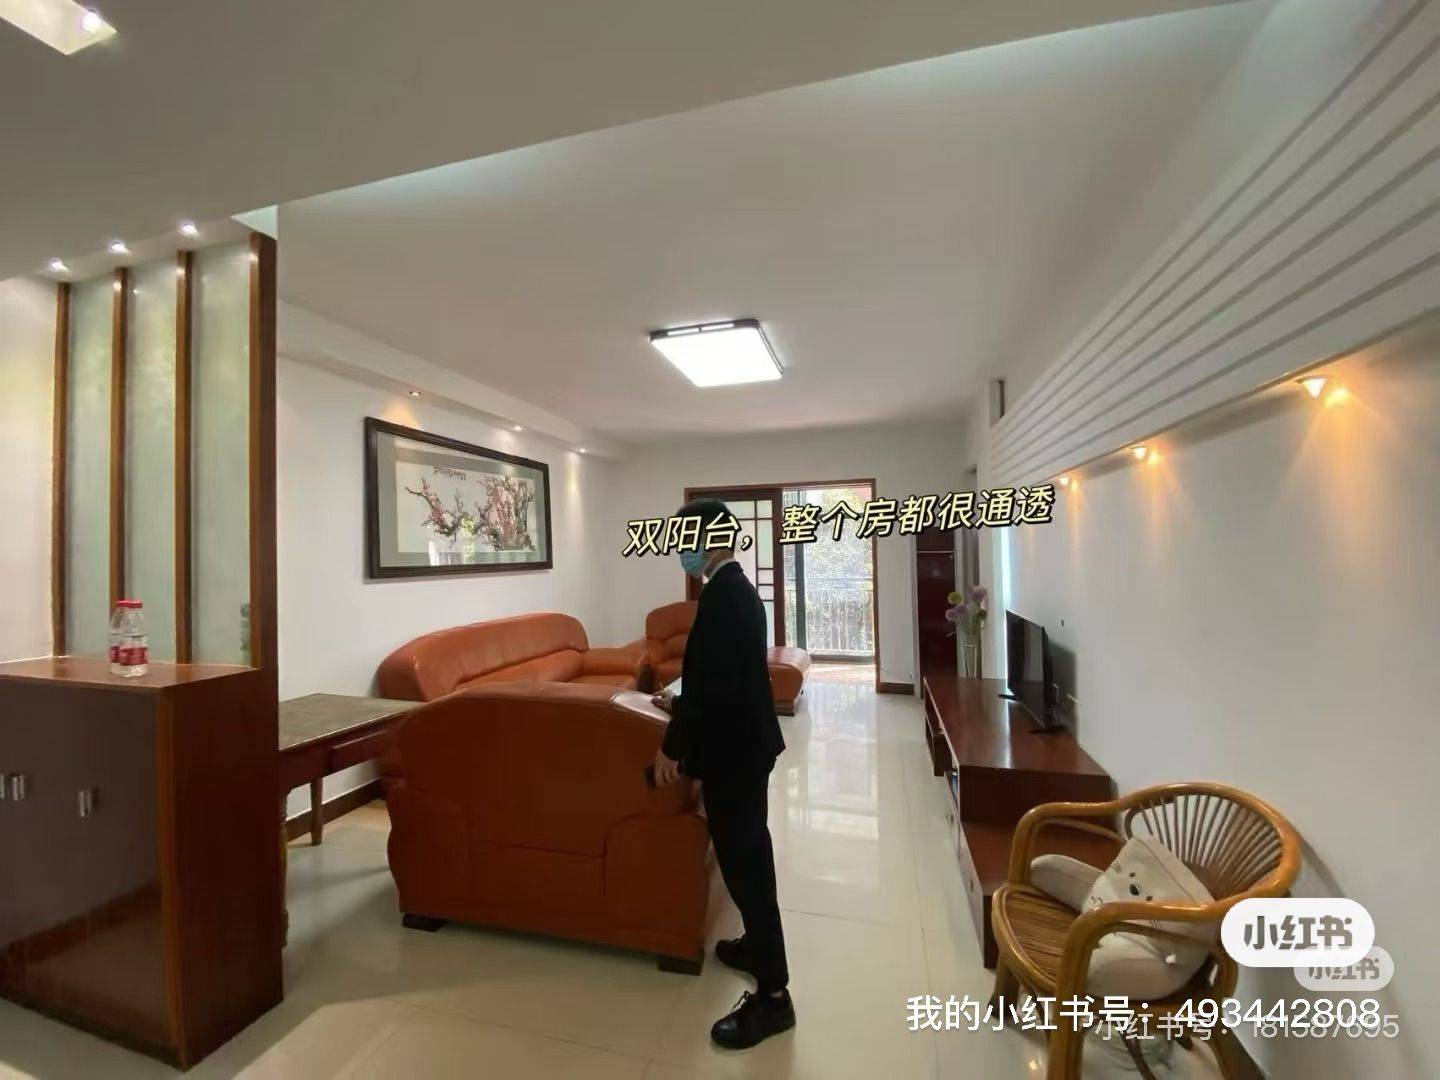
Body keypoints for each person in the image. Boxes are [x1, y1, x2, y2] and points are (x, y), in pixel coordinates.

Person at [651, 498, 795, 1049]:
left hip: (736, 752)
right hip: (746, 745)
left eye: (684, 540)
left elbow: (711, 688)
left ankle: (774, 997)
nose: (680, 551)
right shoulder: (734, 589)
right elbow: (718, 678)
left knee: (746, 864)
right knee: (748, 853)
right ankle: (757, 947)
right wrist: (678, 702)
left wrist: (672, 747)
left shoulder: (723, 597)